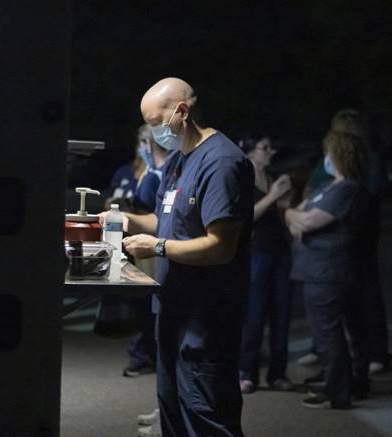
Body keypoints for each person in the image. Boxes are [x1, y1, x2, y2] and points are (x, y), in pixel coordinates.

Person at [115, 78, 253, 437]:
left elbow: (220, 246)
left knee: (205, 414)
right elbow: (165, 222)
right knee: (173, 413)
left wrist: (157, 247)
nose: (154, 132)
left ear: (182, 111)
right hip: (173, 310)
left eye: (156, 123)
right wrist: (124, 220)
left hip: (206, 317)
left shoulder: (221, 162)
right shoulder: (180, 160)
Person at [300, 109, 391, 374]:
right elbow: (312, 189)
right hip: (331, 233)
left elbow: (366, 196)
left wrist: (325, 206)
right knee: (337, 299)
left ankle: (374, 353)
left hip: (357, 233)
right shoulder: (328, 161)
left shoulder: (369, 162)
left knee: (364, 292)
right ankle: (328, 350)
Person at [285, 131, 370, 409]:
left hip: (328, 273)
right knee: (330, 332)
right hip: (319, 271)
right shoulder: (330, 187)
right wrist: (294, 217)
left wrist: (292, 216)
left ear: (340, 156)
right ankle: (344, 384)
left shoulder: (347, 190)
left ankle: (339, 392)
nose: (326, 159)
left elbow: (307, 220)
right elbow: (299, 216)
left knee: (328, 333)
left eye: (329, 153)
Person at [237, 134, 294, 394]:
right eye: (264, 147)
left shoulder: (273, 177)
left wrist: (285, 204)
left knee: (282, 313)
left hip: (280, 251)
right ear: (249, 151)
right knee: (255, 314)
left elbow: (282, 215)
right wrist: (272, 196)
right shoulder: (242, 178)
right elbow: (246, 217)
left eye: (273, 147)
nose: (271, 152)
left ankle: (278, 372)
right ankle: (247, 371)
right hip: (256, 251)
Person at [124, 126, 170, 378]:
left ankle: (148, 356)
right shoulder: (146, 172)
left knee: (154, 303)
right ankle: (145, 354)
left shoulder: (160, 172)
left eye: (147, 140)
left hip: (156, 245)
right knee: (145, 304)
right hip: (143, 242)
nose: (143, 146)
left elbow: (158, 215)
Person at [105, 126, 148, 209]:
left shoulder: (154, 176)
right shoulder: (123, 172)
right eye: (140, 143)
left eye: (145, 142)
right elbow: (107, 202)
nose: (141, 147)